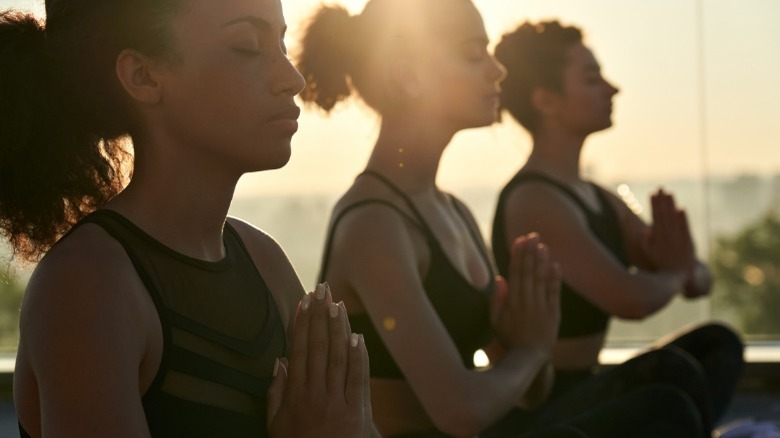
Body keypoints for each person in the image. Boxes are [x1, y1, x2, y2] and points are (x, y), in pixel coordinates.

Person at [298, 2, 705, 437]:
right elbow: (461, 412)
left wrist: (524, 342)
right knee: (665, 409)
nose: (497, 72)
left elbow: (529, 392)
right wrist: (529, 351)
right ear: (407, 76)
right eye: (474, 54)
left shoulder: (453, 211)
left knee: (686, 373)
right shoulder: (374, 225)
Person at [1, 0, 375, 436]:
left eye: (281, 43)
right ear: (143, 76)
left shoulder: (264, 260)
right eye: (248, 46)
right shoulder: (88, 287)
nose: (291, 78)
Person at [491, 20, 744, 435]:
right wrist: (678, 272)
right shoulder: (535, 201)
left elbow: (697, 278)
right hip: (540, 406)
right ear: (546, 101)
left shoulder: (597, 196)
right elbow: (631, 298)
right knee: (669, 382)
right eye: (592, 80)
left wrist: (680, 268)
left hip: (587, 386)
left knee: (719, 343)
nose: (612, 90)